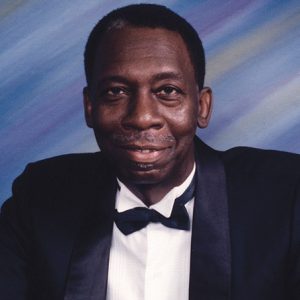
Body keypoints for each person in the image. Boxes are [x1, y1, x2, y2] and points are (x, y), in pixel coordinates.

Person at [0, 3, 299, 300]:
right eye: (116, 91)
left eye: (167, 91)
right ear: (90, 107)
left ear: (202, 107)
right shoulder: (38, 198)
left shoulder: (285, 196)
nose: (142, 117)